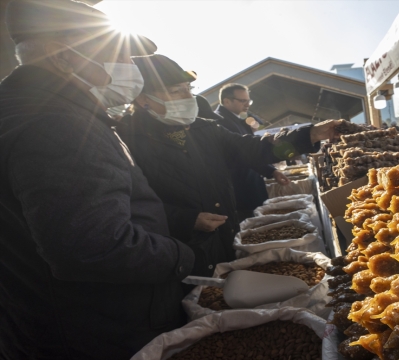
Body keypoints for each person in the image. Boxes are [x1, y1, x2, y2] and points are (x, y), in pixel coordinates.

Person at [0, 1, 196, 358]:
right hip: (98, 334)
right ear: (61, 56)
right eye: (115, 57)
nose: (125, 70)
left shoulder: (23, 109)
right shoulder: (59, 123)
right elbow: (94, 247)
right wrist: (180, 255)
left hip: (48, 325)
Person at [117, 54, 341, 276]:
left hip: (223, 236)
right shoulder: (124, 140)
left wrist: (309, 135)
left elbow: (253, 148)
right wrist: (186, 220)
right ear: (142, 99)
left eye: (189, 89)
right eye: (177, 91)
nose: (188, 97)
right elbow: (127, 204)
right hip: (175, 253)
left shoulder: (204, 129)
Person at [214, 83, 289, 220]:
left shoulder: (237, 119)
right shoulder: (220, 122)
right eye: (243, 101)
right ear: (226, 101)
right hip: (240, 188)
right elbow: (244, 153)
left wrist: (271, 171)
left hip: (250, 184)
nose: (248, 104)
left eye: (249, 100)